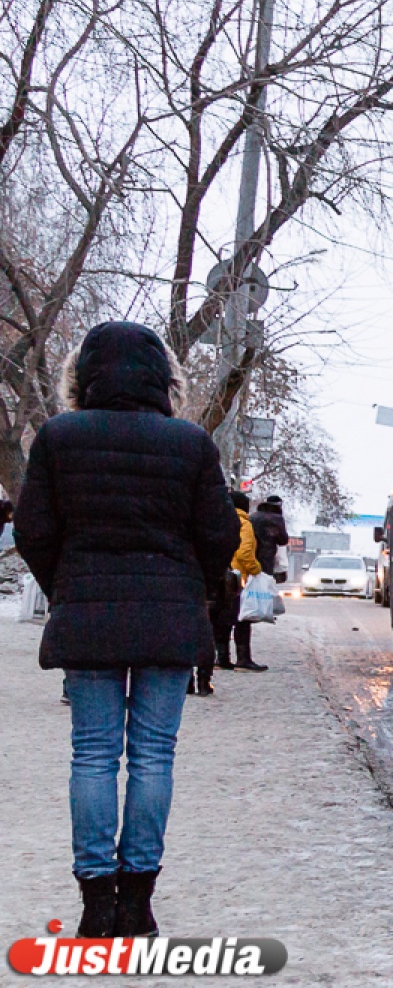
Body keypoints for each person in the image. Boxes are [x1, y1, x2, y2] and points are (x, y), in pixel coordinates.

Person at [13, 322, 239, 938]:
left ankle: (94, 902)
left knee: (91, 754)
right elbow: (220, 534)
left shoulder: (59, 439)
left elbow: (32, 530)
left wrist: (67, 583)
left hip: (87, 614)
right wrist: (191, 584)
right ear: (163, 379)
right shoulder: (190, 444)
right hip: (168, 615)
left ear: (81, 378)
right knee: (152, 756)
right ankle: (137, 901)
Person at [222, 491, 268, 673]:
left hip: (220, 575)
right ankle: (243, 659)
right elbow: (244, 553)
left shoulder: (220, 521)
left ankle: (221, 658)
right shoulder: (244, 524)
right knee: (243, 618)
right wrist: (256, 569)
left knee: (222, 618)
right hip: (238, 578)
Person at [250, 494, 290, 583]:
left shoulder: (253, 517)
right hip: (267, 557)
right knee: (265, 583)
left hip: (251, 556)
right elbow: (283, 540)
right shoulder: (277, 519)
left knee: (253, 583)